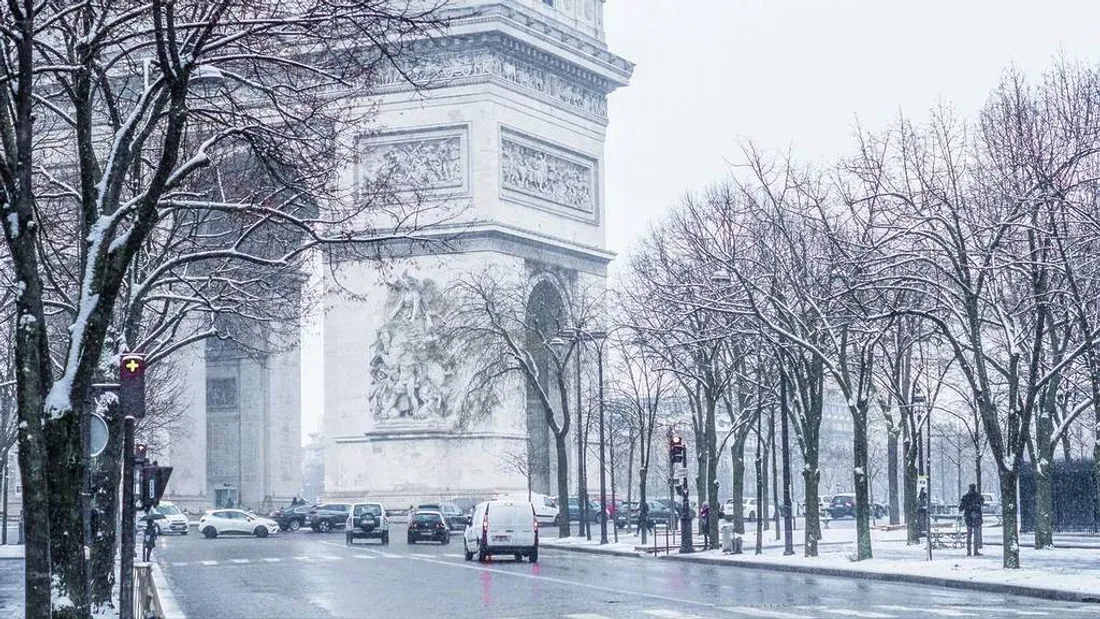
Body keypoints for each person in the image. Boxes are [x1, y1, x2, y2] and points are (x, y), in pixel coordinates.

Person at [959, 484, 984, 556]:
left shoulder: (966, 497)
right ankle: (975, 550)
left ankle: (969, 551)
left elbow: (961, 508)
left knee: (969, 534)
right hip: (977, 517)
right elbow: (982, 503)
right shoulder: (978, 496)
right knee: (976, 534)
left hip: (968, 517)